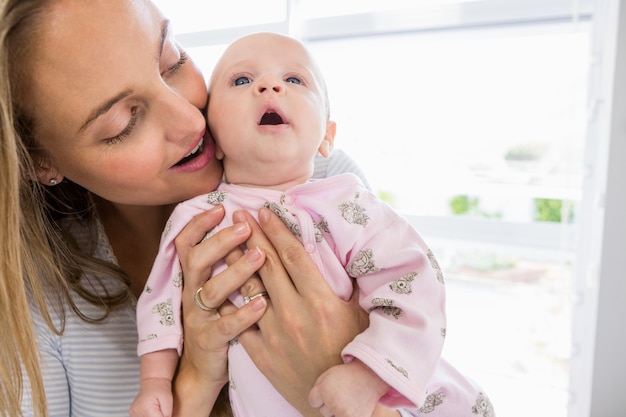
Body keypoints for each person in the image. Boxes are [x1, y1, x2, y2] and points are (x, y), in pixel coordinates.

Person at [1, 1, 381, 417]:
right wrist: (194, 384)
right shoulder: (35, 301)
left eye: (172, 61)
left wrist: (340, 380)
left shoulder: (322, 180)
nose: (192, 122)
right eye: (123, 124)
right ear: (41, 162)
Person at [134, 32, 495, 417]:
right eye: (241, 80)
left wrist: (366, 377)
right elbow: (161, 302)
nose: (269, 86)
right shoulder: (195, 219)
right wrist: (155, 381)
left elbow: (413, 287)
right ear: (214, 138)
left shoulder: (350, 205)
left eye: (295, 80)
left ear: (326, 136)